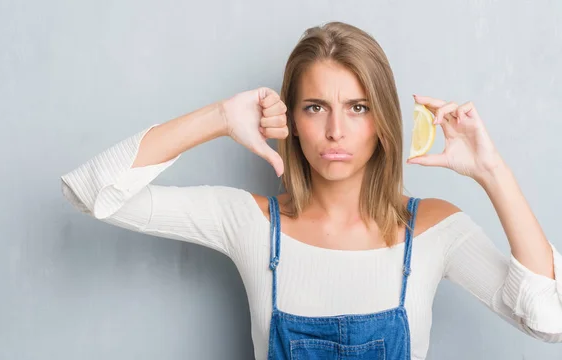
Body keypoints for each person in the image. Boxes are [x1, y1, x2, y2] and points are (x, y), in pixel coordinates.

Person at [60, 21, 562, 359]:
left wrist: (491, 171)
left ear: (382, 122)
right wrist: (218, 118)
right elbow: (94, 192)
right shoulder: (249, 223)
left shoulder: (433, 229)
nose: (336, 131)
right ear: (293, 122)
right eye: (315, 107)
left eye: (358, 108)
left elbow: (547, 319)